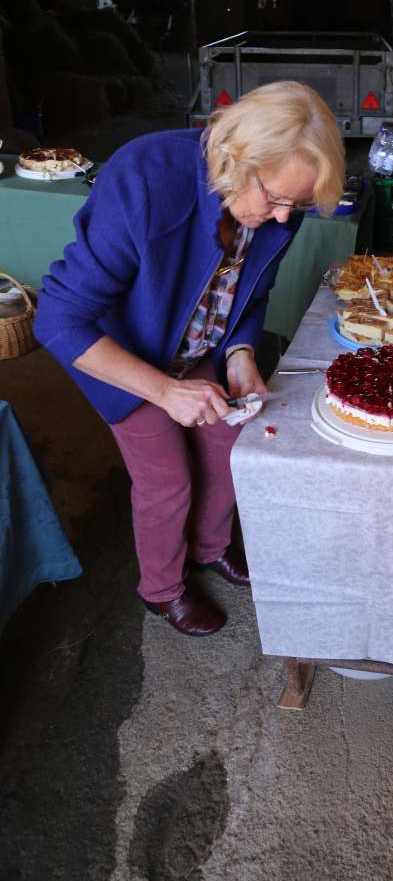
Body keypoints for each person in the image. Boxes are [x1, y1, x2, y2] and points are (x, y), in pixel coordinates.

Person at [34, 81, 345, 637]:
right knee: (167, 479)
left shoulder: (278, 200)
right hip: (122, 354)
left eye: (294, 206)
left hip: (195, 344)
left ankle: (209, 548)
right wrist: (165, 392)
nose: (281, 219)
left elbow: (254, 291)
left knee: (230, 445)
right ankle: (161, 589)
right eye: (274, 199)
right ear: (235, 160)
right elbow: (58, 319)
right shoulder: (144, 178)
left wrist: (241, 352)